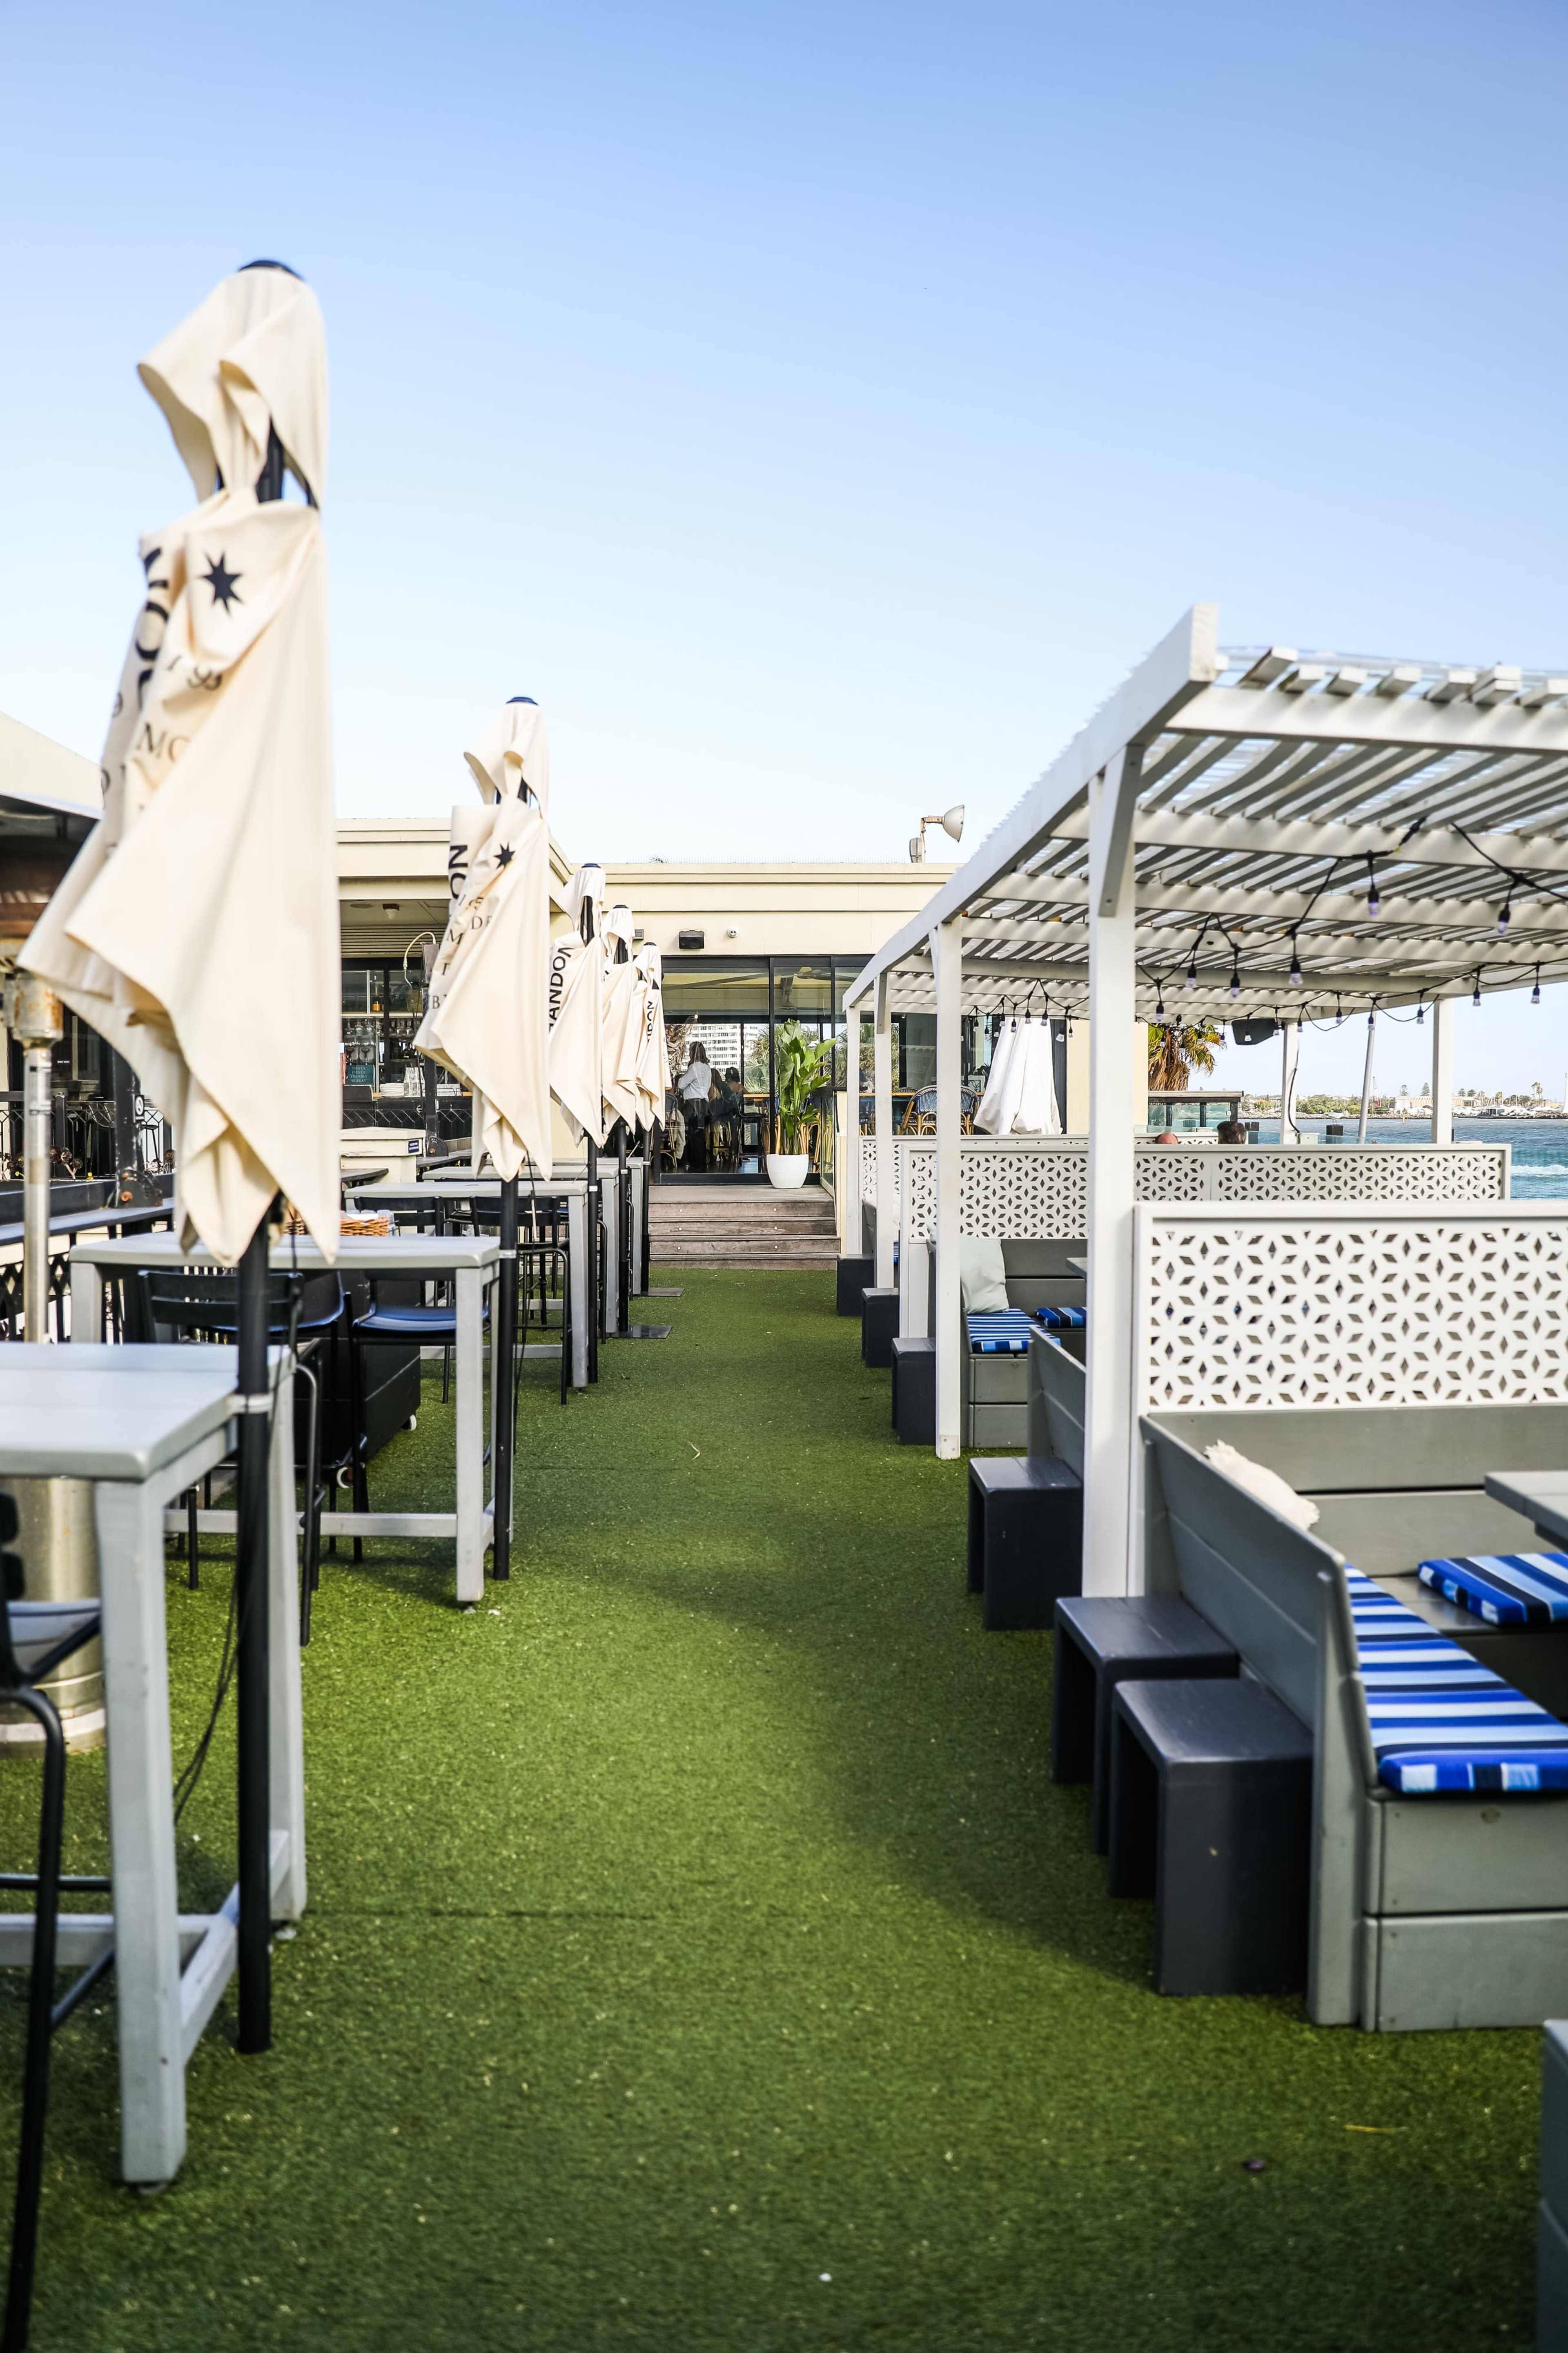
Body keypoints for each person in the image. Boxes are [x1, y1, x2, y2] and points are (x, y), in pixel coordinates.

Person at [677, 1040, 713, 1170]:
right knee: (700, 1136)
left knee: (692, 1136)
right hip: (704, 1105)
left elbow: (682, 1084)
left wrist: (680, 1079)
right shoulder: (707, 1068)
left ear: (693, 1053)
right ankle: (701, 1164)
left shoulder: (695, 1067)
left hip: (693, 1105)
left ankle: (694, 1164)